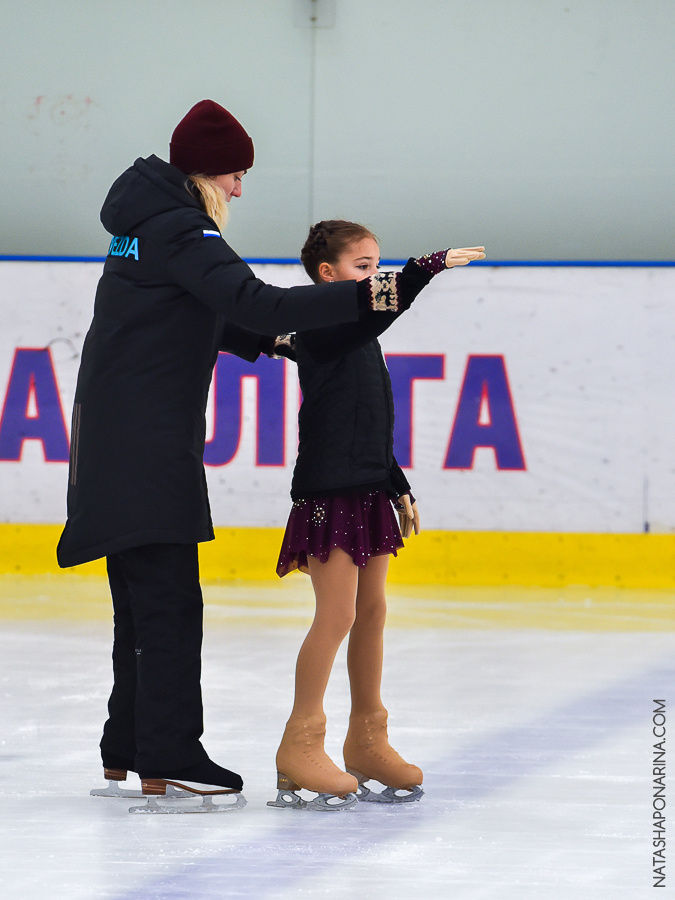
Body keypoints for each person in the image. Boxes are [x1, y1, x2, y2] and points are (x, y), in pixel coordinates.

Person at [56, 101, 438, 812]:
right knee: (169, 601)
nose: (239, 189)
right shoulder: (180, 225)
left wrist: (273, 343)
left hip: (117, 435)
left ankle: (129, 745)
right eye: (234, 174)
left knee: (140, 600)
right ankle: (169, 755)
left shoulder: (143, 227)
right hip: (144, 441)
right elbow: (254, 301)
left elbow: (202, 309)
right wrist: (370, 294)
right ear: (205, 172)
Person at [268, 220, 485, 810]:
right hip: (328, 493)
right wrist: (421, 270)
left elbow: (369, 420)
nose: (374, 276)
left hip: (366, 487)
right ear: (327, 275)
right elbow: (377, 311)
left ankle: (367, 739)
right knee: (335, 614)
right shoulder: (323, 329)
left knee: (371, 612)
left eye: (379, 265)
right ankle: (300, 744)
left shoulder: (362, 337)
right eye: (363, 267)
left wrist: (396, 482)